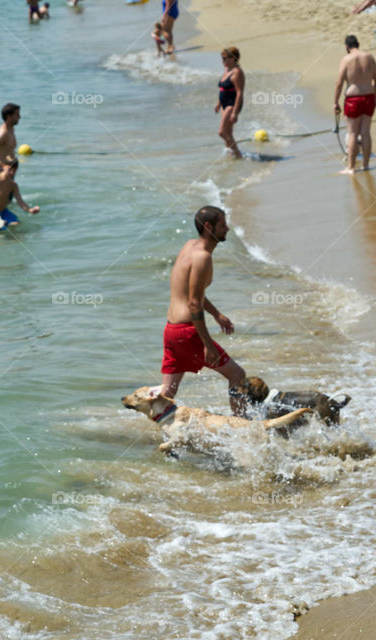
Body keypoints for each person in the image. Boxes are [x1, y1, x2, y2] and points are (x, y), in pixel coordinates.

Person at [156, 206, 246, 417]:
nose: (227, 229)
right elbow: (194, 304)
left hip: (172, 331)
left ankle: (157, 431)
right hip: (188, 332)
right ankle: (243, 426)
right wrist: (208, 345)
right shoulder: (202, 257)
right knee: (237, 376)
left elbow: (191, 292)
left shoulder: (190, 247)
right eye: (223, 225)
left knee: (168, 393)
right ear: (209, 227)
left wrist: (216, 314)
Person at [334, 35, 376, 174]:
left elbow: (339, 83)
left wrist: (335, 102)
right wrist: (375, 96)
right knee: (366, 132)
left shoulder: (346, 59)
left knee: (353, 133)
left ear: (347, 47)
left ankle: (351, 167)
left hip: (353, 98)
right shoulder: (370, 57)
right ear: (358, 44)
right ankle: (366, 165)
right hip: (369, 96)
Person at [0, 159, 40, 229]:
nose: (11, 173)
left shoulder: (13, 185)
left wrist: (30, 210)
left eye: (14, 171)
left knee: (16, 223)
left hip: (4, 212)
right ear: (3, 167)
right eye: (9, 170)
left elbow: (20, 201)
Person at [215, 47, 244, 159]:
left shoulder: (237, 73)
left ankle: (238, 154)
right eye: (222, 59)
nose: (223, 61)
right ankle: (230, 155)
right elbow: (222, 89)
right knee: (228, 132)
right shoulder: (227, 70)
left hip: (232, 104)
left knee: (222, 132)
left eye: (225, 58)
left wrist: (235, 113)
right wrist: (218, 103)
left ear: (233, 58)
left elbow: (239, 93)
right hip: (224, 103)